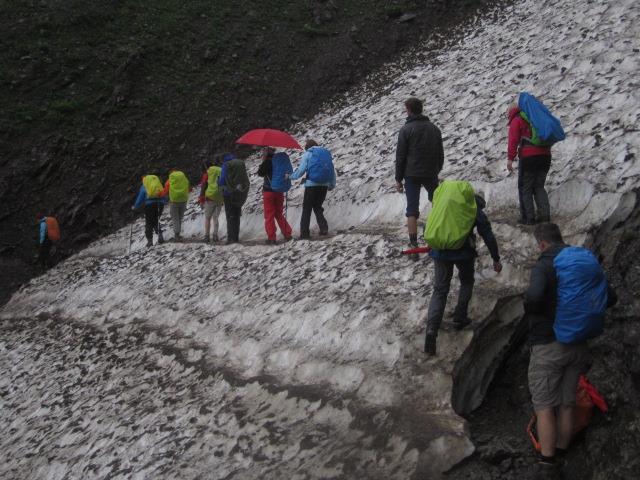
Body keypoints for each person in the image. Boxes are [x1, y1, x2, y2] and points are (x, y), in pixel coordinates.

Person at [524, 223, 616, 471]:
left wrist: (538, 315)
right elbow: (611, 296)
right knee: (566, 402)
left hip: (548, 345)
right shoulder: (581, 261)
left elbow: (533, 296)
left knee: (544, 406)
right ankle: (563, 449)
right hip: (578, 343)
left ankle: (547, 460)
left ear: (542, 243)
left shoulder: (545, 263)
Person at [424, 189, 502, 356]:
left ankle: (431, 329)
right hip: (463, 252)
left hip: (440, 251)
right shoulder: (474, 209)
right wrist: (496, 258)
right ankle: (460, 315)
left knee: (440, 290)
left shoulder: (447, 205)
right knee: (466, 281)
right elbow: (487, 235)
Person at [395, 97, 444, 256]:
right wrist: (437, 169)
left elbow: (401, 156)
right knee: (436, 203)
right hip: (430, 172)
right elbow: (440, 153)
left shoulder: (405, 130)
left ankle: (414, 244)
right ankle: (439, 236)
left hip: (411, 174)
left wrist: (398, 178)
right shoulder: (434, 128)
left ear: (409, 110)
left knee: (412, 209)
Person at [507, 103, 552, 225]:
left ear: (511, 112)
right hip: (545, 156)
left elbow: (513, 140)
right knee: (539, 186)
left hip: (529, 157)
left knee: (525, 187)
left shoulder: (517, 120)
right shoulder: (534, 118)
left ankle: (529, 218)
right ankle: (545, 216)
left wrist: (510, 158)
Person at [290, 139, 336, 239]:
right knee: (317, 206)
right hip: (324, 185)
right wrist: (331, 184)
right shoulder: (325, 153)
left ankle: (304, 234)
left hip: (311, 185)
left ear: (307, 147)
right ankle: (324, 228)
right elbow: (331, 170)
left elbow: (301, 170)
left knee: (307, 208)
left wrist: (291, 176)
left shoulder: (308, 154)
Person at [257, 147, 293, 244]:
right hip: (279, 190)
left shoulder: (267, 162)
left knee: (269, 215)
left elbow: (260, 173)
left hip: (269, 191)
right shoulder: (279, 162)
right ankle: (287, 234)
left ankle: (272, 237)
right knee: (278, 214)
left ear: (266, 153)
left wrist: (263, 161)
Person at [218, 153, 249, 244]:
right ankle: (235, 238)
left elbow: (222, 179)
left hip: (229, 193)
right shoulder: (240, 163)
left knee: (230, 216)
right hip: (240, 192)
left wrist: (219, 182)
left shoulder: (226, 164)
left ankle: (230, 238)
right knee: (236, 215)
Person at [132, 175, 167, 247]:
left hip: (150, 205)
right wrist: (163, 202)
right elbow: (163, 194)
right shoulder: (157, 184)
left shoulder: (145, 186)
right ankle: (160, 236)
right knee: (156, 220)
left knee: (149, 222)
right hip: (160, 204)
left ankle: (150, 242)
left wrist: (135, 206)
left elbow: (140, 198)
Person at [198, 158, 224, 243]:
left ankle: (207, 236)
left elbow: (203, 186)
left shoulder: (207, 173)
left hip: (210, 197)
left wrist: (201, 199)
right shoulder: (221, 170)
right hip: (220, 197)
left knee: (208, 217)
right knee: (216, 217)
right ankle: (215, 235)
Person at [160, 169, 190, 241]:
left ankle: (177, 235)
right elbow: (188, 185)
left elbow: (166, 190)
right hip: (183, 200)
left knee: (175, 218)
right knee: (179, 217)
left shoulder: (170, 179)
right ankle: (178, 234)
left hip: (174, 201)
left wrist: (160, 195)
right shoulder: (183, 178)